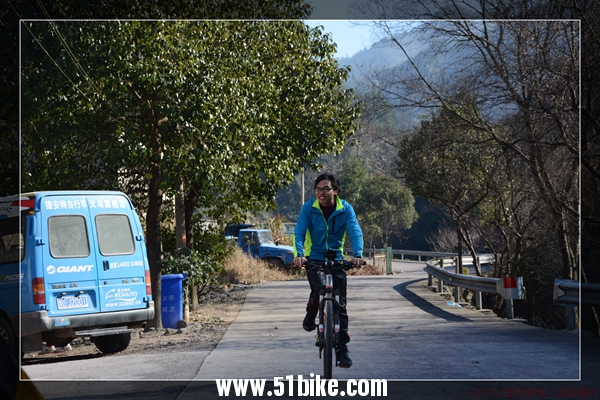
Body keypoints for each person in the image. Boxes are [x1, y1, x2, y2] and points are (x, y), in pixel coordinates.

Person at [292, 173, 364, 369]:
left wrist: (357, 254)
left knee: (341, 305)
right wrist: (299, 254)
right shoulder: (309, 208)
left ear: (335, 191)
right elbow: (299, 231)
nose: (321, 193)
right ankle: (311, 312)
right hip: (313, 257)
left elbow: (355, 231)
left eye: (325, 189)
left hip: (336, 259)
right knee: (319, 289)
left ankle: (342, 350)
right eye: (318, 189)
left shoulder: (345, 209)